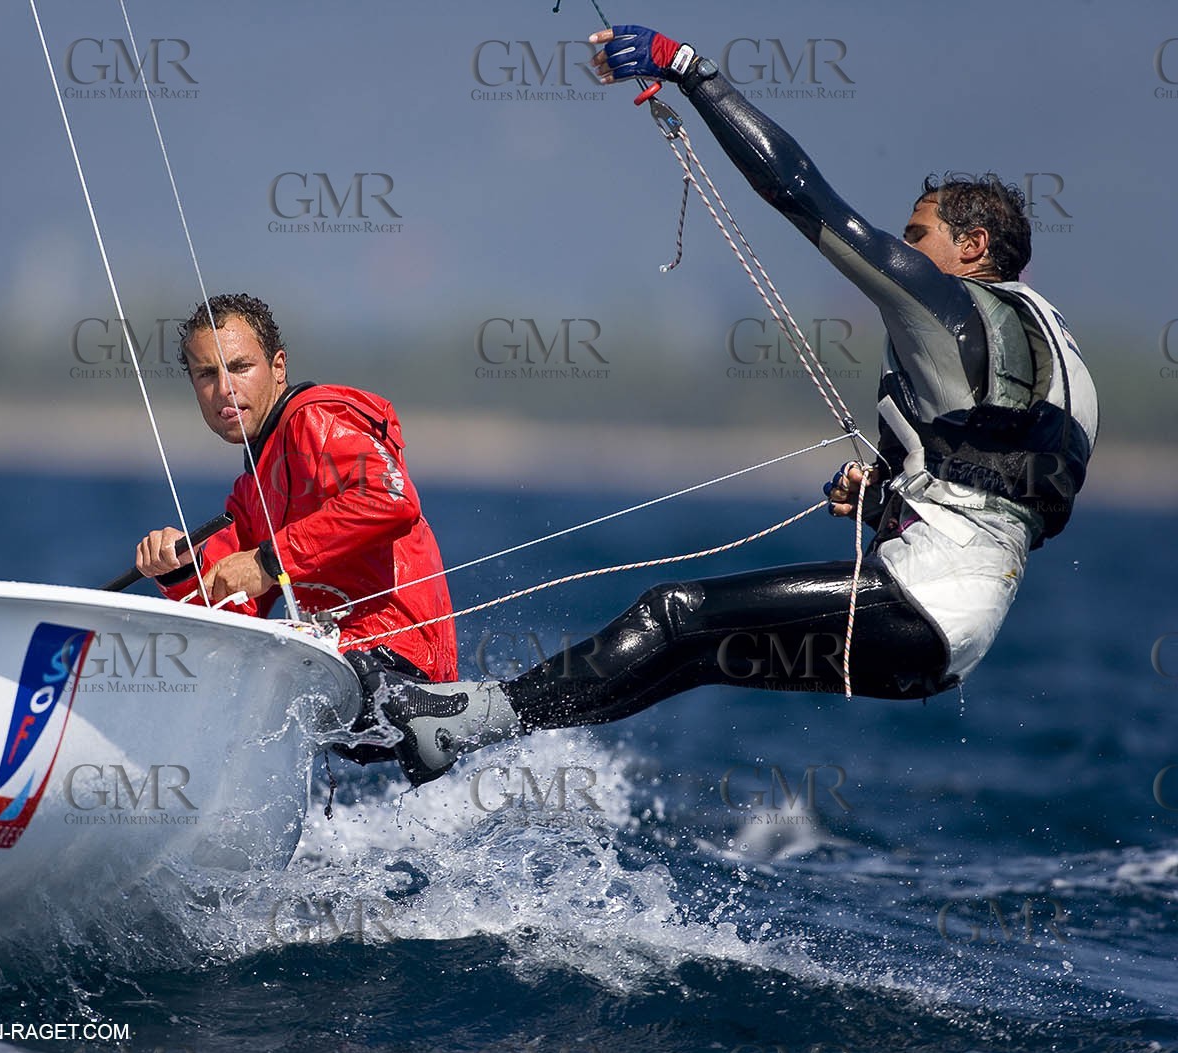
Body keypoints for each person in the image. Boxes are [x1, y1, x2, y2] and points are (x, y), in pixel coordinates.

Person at [344, 23, 1098, 786]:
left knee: (673, 613)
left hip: (918, 603)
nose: (901, 251)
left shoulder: (952, 309)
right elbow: (1003, 499)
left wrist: (689, 71)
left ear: (973, 246)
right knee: (693, 648)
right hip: (952, 638)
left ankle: (467, 719)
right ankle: (458, 732)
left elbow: (802, 193)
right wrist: (883, 499)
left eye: (917, 235)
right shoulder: (1062, 364)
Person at [134, 293, 457, 683]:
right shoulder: (251, 490)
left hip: (398, 664)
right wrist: (181, 569)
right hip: (340, 667)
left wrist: (269, 562)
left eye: (240, 367)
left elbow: (390, 499)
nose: (224, 388)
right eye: (207, 374)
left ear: (278, 367)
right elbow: (230, 608)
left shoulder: (315, 419)